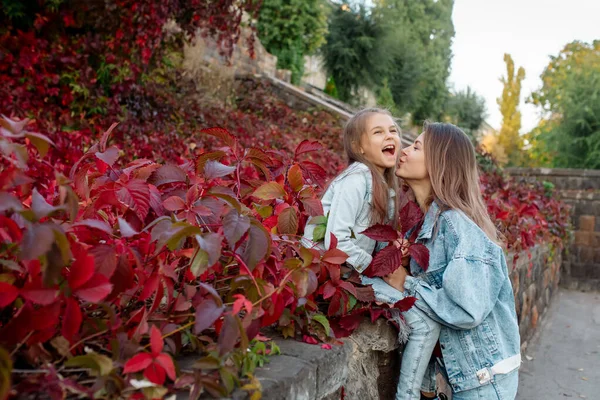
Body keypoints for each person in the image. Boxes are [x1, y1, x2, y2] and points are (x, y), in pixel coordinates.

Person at [302, 108, 443, 400]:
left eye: (393, 130)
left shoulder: (386, 187)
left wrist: (396, 259)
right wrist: (378, 269)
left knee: (429, 309)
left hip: (357, 273)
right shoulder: (356, 179)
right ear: (359, 148)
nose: (390, 136)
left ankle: (427, 390)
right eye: (378, 132)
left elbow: (377, 244)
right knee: (424, 324)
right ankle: (410, 396)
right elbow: (332, 239)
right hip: (329, 274)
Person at [384, 122, 521, 400]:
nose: (404, 150)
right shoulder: (423, 226)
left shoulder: (456, 226)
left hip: (485, 383)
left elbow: (467, 311)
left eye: (417, 146)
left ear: (439, 162)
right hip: (466, 379)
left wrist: (406, 283)